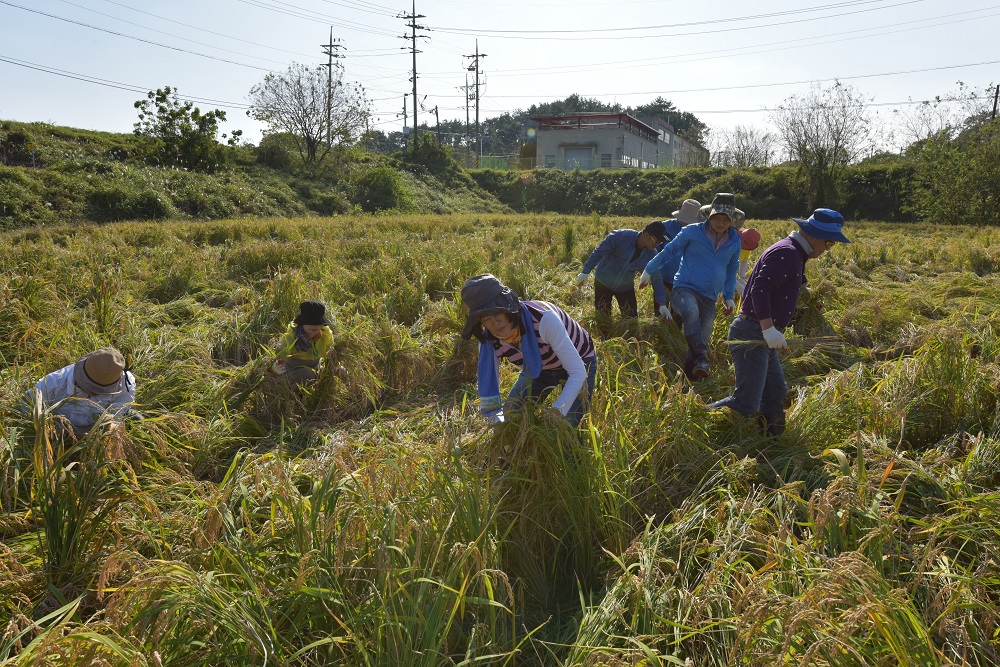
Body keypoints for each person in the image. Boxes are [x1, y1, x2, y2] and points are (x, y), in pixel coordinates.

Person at [709, 209, 851, 436]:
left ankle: (771, 438)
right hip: (752, 332)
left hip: (762, 332)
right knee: (746, 402)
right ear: (814, 235)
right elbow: (758, 289)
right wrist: (768, 329)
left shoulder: (796, 253)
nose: (827, 249)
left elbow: (790, 287)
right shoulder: (786, 253)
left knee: (775, 389)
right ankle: (697, 418)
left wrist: (809, 304)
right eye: (828, 243)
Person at [462, 274, 597, 428]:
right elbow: (491, 396)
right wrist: (498, 426)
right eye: (485, 318)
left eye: (497, 312)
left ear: (508, 307)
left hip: (580, 361)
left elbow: (578, 372)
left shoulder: (544, 320)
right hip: (538, 368)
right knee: (510, 418)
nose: (495, 322)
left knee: (566, 427)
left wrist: (558, 410)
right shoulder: (488, 343)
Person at [639, 193, 742, 380]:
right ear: (709, 216)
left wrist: (728, 296)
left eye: (726, 219)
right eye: (717, 217)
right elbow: (669, 251)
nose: (721, 222)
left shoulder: (735, 240)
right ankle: (702, 357)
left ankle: (690, 377)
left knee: (702, 336)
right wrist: (649, 269)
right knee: (691, 311)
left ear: (732, 220)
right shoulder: (692, 232)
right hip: (684, 288)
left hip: (710, 296)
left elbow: (732, 267)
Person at [576, 220, 669, 320]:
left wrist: (662, 304)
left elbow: (657, 278)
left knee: (631, 319)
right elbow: (598, 252)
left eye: (660, 242)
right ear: (646, 234)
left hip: (625, 286)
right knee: (603, 318)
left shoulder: (651, 254)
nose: (658, 245)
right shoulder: (620, 237)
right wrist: (585, 272)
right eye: (656, 241)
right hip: (603, 282)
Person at [30, 348, 137, 434]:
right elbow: (26, 408)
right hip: (57, 430)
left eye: (103, 390)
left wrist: (103, 433)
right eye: (91, 388)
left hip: (96, 430)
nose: (96, 393)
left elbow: (117, 414)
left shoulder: (126, 383)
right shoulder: (51, 383)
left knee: (137, 419)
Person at [650, 198, 702, 324]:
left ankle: (674, 336)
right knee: (660, 311)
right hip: (662, 279)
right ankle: (661, 337)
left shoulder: (700, 232)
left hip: (684, 282)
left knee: (678, 314)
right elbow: (653, 250)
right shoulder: (665, 227)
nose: (686, 223)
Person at [273, 300, 335, 385]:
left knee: (340, 370)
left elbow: (332, 355)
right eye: (310, 322)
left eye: (318, 322)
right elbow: (271, 359)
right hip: (292, 374)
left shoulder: (325, 335)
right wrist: (275, 367)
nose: (314, 326)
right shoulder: (290, 338)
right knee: (307, 373)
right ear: (302, 323)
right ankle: (296, 396)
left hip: (314, 370)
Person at [735, 227, 762, 298]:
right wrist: (737, 284)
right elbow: (725, 270)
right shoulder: (731, 246)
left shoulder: (747, 249)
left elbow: (744, 261)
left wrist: (742, 278)